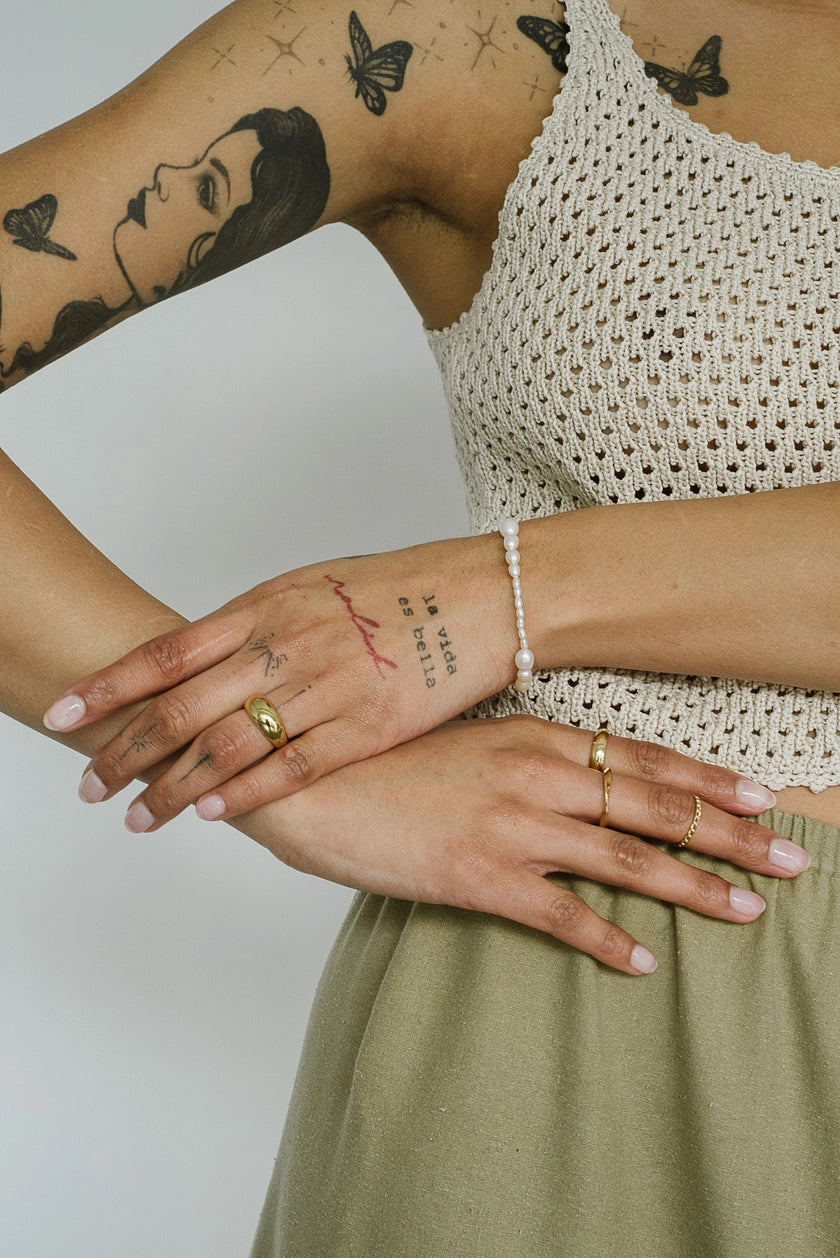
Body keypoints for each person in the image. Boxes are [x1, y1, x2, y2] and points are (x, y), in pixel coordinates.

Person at [2, 0, 839, 1254]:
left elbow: (498, 595)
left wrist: (503, 592)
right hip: (610, 1004)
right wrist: (271, 762)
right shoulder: (468, 33)